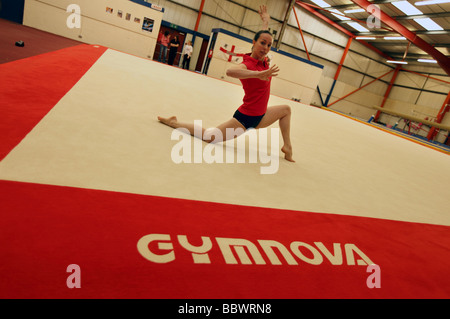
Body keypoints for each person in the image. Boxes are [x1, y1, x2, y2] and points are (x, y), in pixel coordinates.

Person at [158, 5, 294, 162]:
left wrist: (265, 21)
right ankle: (174, 123)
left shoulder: (264, 60)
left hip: (262, 115)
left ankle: (287, 147)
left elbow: (264, 36)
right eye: (263, 43)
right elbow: (230, 71)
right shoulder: (248, 64)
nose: (266, 48)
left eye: (269, 45)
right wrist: (258, 74)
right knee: (210, 136)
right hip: (245, 119)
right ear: (254, 42)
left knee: (286, 110)